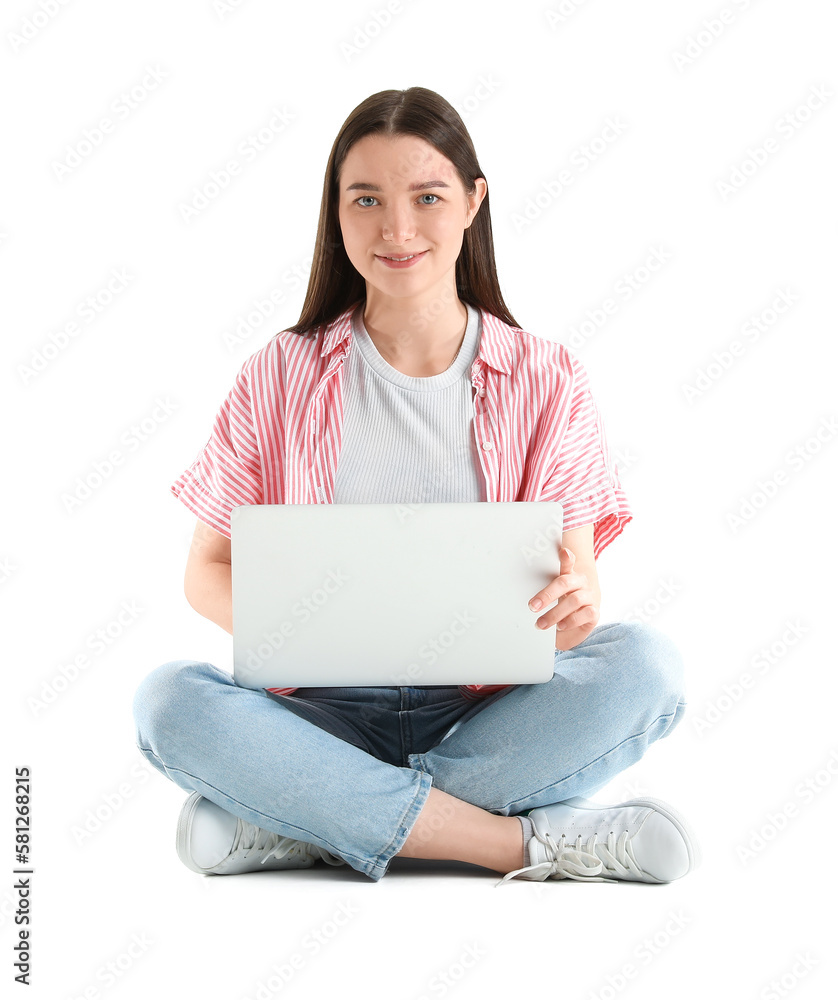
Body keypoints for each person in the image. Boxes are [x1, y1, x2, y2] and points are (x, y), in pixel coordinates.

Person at [132, 86, 700, 886]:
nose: (396, 229)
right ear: (336, 213)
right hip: (316, 715)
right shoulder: (279, 373)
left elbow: (575, 596)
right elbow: (205, 573)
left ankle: (309, 819)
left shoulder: (548, 378)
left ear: (473, 203)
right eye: (366, 200)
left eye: (427, 197)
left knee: (647, 667)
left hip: (485, 714)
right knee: (168, 703)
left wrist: (573, 607)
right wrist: (308, 624)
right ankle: (516, 843)